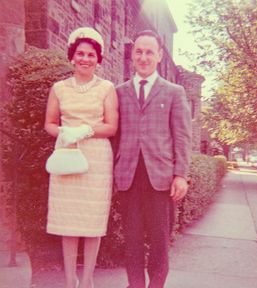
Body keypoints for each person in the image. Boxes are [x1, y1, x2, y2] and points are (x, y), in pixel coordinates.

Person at [114, 30, 192, 288]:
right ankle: (134, 285)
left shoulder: (174, 92)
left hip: (160, 179)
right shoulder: (118, 92)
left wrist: (180, 174)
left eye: (149, 52)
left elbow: (182, 136)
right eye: (139, 51)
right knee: (132, 240)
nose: (143, 57)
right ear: (132, 55)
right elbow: (115, 137)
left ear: (159, 55)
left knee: (159, 241)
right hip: (128, 178)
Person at [44, 27, 118, 288]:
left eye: (91, 55)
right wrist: (66, 132)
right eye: (80, 54)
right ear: (72, 57)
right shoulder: (59, 88)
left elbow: (111, 127)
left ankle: (87, 280)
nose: (85, 59)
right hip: (67, 154)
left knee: (91, 220)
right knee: (69, 220)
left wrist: (86, 130)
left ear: (98, 59)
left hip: (96, 158)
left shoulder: (107, 88)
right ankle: (69, 280)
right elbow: (49, 124)